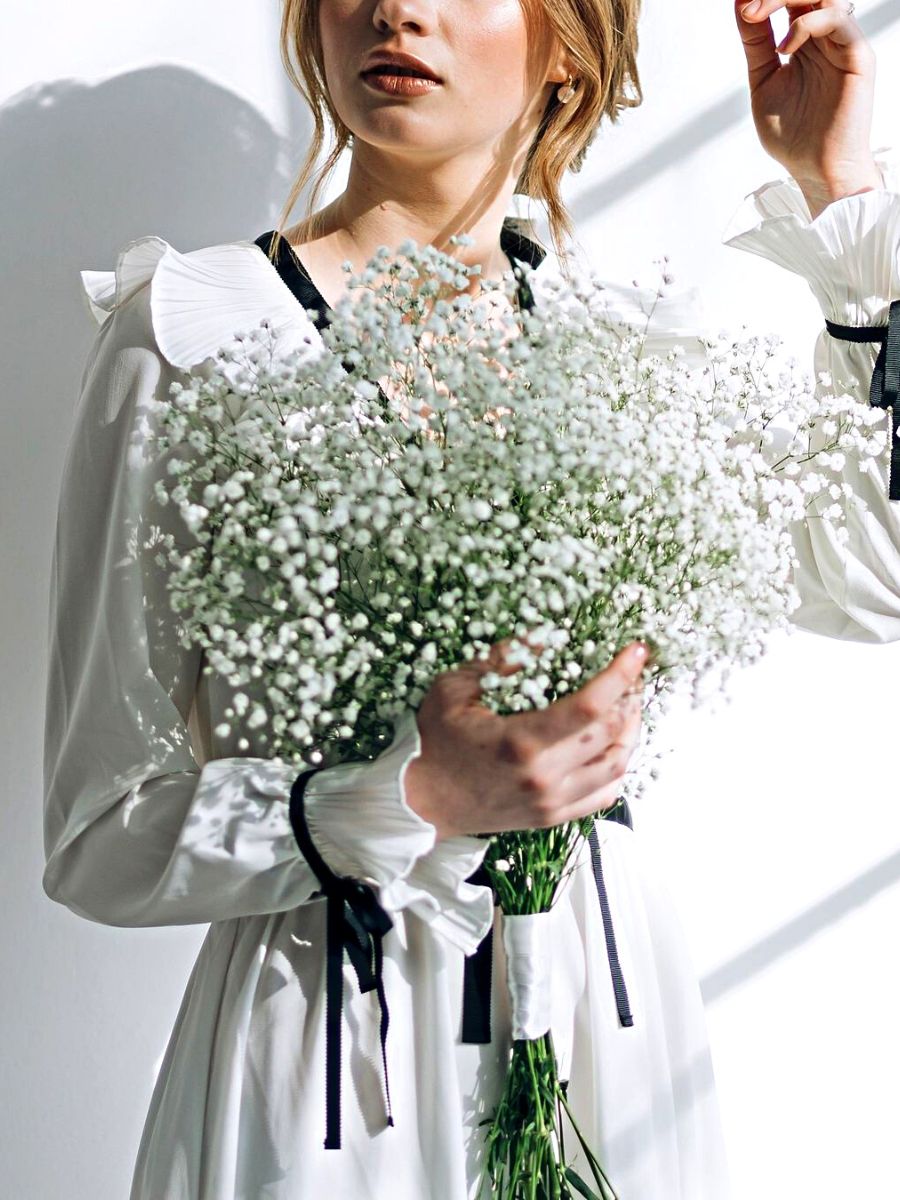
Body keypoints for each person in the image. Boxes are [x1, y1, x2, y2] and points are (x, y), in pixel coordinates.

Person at [42, 1, 899, 1197]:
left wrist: (838, 190)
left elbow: (874, 585)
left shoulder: (624, 344)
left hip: (605, 1021)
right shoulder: (193, 333)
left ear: (568, 46)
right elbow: (96, 832)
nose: (397, 9)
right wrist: (406, 798)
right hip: (337, 1053)